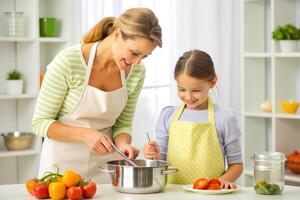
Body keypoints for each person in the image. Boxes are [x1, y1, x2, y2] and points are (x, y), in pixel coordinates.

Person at [32, 7, 162, 183]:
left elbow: (123, 124)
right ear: (117, 34)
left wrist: (123, 144)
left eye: (145, 57)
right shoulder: (68, 62)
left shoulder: (136, 72)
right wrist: (85, 134)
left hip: (105, 168)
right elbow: (40, 123)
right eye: (134, 53)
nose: (138, 62)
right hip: (60, 170)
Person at [144, 50, 243, 188]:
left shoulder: (224, 117)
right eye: (182, 89)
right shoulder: (167, 115)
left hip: (210, 194)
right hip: (173, 194)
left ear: (213, 82)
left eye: (196, 90)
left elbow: (237, 165)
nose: (188, 96)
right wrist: (153, 155)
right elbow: (160, 162)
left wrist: (221, 182)